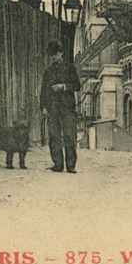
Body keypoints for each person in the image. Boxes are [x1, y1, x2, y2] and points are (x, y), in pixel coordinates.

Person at [40, 39, 81, 173]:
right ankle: (57, 164)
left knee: (69, 135)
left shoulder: (70, 68)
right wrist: (44, 107)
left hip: (67, 108)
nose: (53, 57)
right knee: (54, 136)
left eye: (55, 54)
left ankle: (71, 166)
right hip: (52, 108)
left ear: (61, 53)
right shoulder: (48, 71)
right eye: (51, 55)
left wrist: (63, 87)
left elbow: (77, 86)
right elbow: (44, 90)